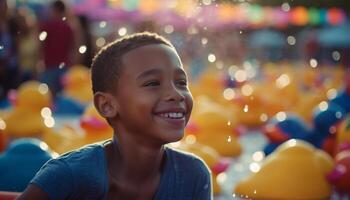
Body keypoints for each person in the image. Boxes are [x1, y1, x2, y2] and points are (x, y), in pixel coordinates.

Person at [17, 32, 213, 199]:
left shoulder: (193, 175)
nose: (177, 94)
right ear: (107, 105)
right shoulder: (68, 176)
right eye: (152, 83)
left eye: (181, 82)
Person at [39, 0, 74, 97]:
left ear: (55, 10)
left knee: (48, 96)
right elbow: (73, 47)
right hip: (64, 66)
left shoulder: (47, 26)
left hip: (49, 66)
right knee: (62, 95)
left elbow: (40, 45)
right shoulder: (68, 27)